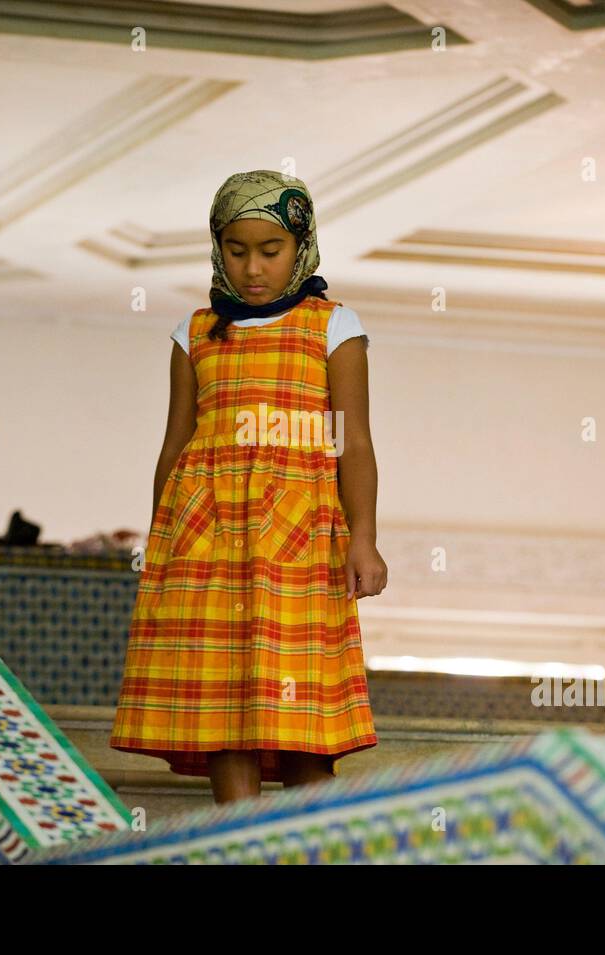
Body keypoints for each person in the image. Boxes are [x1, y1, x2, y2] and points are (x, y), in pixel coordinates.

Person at [109, 170, 386, 804]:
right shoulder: (195, 332)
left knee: (302, 718)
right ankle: (238, 837)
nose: (253, 268)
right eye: (237, 251)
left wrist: (363, 538)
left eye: (271, 251)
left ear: (302, 246)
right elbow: (175, 445)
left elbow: (355, 443)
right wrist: (161, 543)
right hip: (204, 541)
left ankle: (302, 841)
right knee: (222, 704)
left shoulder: (334, 327)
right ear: (216, 247)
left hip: (301, 542)